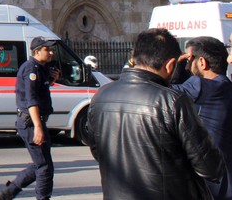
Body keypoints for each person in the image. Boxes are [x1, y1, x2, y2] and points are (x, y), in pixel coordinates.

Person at [87, 28, 226, 200]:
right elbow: (210, 166)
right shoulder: (173, 101)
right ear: (169, 65)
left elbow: (97, 149)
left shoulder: (101, 96)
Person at [0, 37, 60, 200]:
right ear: (37, 51)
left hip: (35, 121)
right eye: (47, 50)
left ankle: (8, 193)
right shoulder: (30, 69)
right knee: (44, 167)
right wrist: (38, 126)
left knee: (42, 164)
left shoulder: (41, 68)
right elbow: (31, 100)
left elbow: (40, 89)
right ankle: (40, 197)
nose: (51, 53)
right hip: (31, 123)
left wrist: (52, 80)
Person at [170, 36, 232, 200]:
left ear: (202, 62)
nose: (189, 66)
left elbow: (162, 91)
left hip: (210, 183)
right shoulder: (225, 86)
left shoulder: (201, 86)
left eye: (190, 59)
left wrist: (176, 65)